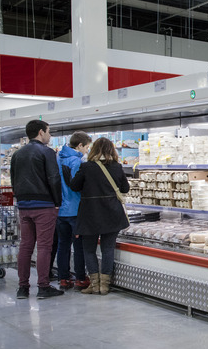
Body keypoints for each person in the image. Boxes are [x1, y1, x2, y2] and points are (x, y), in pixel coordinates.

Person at [70, 137, 130, 295]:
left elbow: (74, 186)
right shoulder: (116, 167)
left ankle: (94, 284)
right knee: (108, 249)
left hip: (90, 214)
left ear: (94, 149)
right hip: (112, 213)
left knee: (88, 250)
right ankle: (105, 286)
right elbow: (125, 188)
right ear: (112, 150)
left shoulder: (86, 167)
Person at [11, 120, 64, 299]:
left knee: (25, 246)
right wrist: (58, 202)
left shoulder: (17, 154)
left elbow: (13, 179)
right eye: (49, 132)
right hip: (44, 205)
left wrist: (20, 199)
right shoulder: (46, 152)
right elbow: (54, 178)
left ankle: (22, 288)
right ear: (41, 132)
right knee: (44, 247)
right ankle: (43, 286)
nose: (50, 136)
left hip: (24, 206)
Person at [56, 131, 93, 290]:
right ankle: (80, 278)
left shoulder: (58, 158)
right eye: (86, 147)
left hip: (60, 210)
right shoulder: (76, 161)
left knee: (62, 245)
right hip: (75, 209)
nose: (87, 151)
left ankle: (63, 278)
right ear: (79, 145)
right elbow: (77, 185)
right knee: (79, 246)